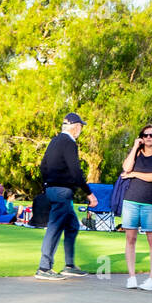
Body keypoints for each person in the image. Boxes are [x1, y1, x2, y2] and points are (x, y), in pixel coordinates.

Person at [34, 113, 97, 281]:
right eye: (80, 127)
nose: (80, 130)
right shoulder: (69, 143)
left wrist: (47, 184)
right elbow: (75, 171)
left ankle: (69, 265)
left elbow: (43, 166)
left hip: (52, 189)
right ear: (75, 126)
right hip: (62, 191)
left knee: (72, 226)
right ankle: (44, 267)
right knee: (54, 228)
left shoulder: (55, 141)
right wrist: (89, 193)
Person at [119, 125, 152, 291]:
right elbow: (126, 168)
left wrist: (134, 175)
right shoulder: (137, 153)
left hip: (150, 202)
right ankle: (131, 277)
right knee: (130, 239)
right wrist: (134, 147)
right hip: (131, 200)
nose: (148, 138)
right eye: (145, 135)